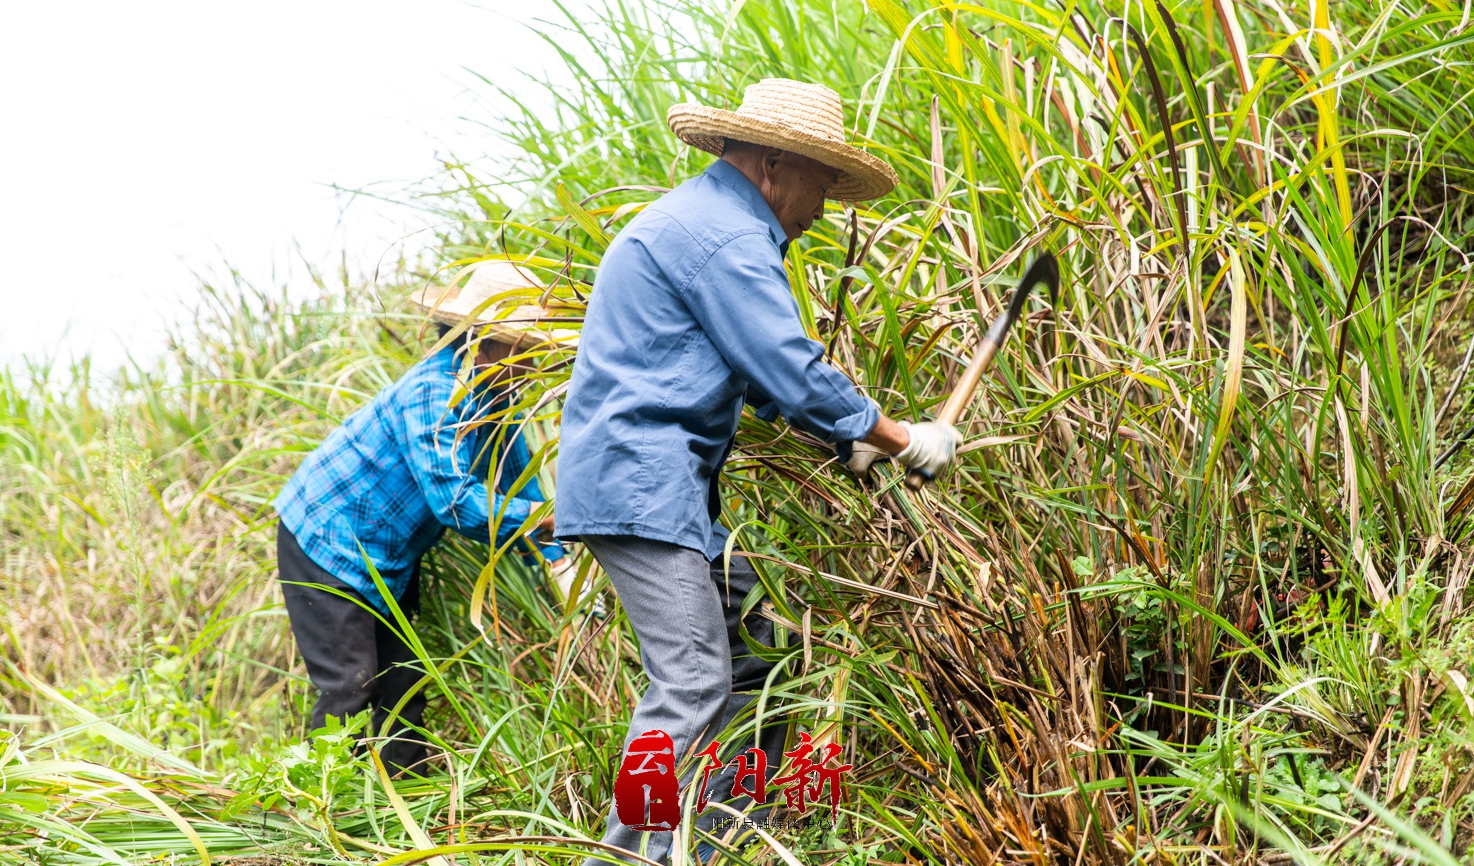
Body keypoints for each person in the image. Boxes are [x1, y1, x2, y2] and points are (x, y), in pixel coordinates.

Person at [555, 78, 961, 865]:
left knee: (762, 656)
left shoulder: (703, 223)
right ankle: (629, 855)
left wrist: (848, 440)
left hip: (665, 491)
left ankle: (711, 845)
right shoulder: (724, 236)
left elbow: (740, 371)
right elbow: (785, 362)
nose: (823, 208)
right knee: (692, 683)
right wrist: (899, 435)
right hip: (643, 489)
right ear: (774, 164)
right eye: (821, 183)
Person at [272, 259, 567, 777]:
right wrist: (543, 518)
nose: (531, 362)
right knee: (351, 683)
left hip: (385, 556)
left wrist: (560, 562)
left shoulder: (500, 401)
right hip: (326, 537)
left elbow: (520, 487)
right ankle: (320, 810)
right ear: (482, 343)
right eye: (523, 350)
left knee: (403, 682)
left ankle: (404, 805)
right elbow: (457, 504)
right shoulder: (433, 391)